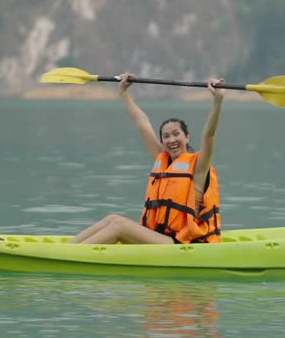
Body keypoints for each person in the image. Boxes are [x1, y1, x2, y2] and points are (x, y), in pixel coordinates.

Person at [70, 72, 224, 245]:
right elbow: (141, 122)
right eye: (166, 136)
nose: (171, 140)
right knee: (112, 218)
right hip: (160, 237)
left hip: (182, 243)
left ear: (187, 137)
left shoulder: (199, 166)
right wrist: (123, 93)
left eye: (176, 134)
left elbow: (209, 135)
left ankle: (68, 256)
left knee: (119, 226)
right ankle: (68, 248)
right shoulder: (162, 158)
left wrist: (217, 101)